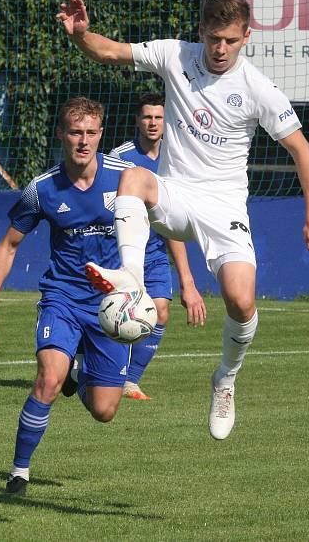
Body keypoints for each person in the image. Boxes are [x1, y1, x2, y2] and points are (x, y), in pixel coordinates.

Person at [56, 0, 309, 440]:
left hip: (225, 207)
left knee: (241, 300)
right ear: (201, 33)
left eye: (230, 40)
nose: (221, 48)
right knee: (132, 177)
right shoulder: (176, 55)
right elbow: (110, 51)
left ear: (246, 37)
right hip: (174, 194)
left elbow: (302, 151)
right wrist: (80, 35)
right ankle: (131, 278)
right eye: (213, 39)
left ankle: (225, 379)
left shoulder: (257, 89)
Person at [0, 97, 142, 496]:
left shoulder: (126, 179)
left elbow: (164, 218)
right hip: (61, 298)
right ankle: (19, 472)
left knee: (104, 411)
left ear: (101, 134)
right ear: (62, 135)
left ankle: (79, 376)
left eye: (90, 133)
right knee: (48, 379)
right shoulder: (42, 189)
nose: (83, 141)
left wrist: (176, 277)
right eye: (75, 133)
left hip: (109, 305)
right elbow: (9, 246)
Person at [109, 93, 206, 400]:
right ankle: (88, 365)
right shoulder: (120, 158)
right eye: (146, 117)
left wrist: (187, 281)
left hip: (155, 254)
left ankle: (130, 381)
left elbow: (174, 223)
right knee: (111, 315)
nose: (152, 123)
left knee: (160, 312)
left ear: (167, 121)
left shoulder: (176, 158)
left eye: (158, 117)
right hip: (121, 252)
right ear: (137, 121)